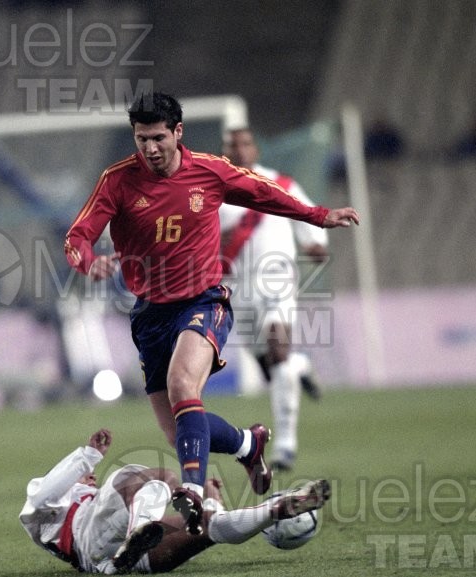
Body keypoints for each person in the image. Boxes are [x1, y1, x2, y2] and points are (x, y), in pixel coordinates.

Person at [64, 92, 358, 534]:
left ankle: (195, 491)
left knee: (185, 385)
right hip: (149, 316)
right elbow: (77, 236)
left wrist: (318, 217)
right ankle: (247, 444)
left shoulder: (209, 171)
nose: (150, 148)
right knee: (179, 430)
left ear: (178, 132)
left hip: (205, 301)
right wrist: (90, 263)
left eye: (158, 137)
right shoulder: (117, 181)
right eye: (141, 139)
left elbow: (263, 193)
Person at [19, 428, 331, 574]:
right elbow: (41, 494)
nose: (91, 476)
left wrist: (211, 497)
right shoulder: (46, 508)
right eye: (85, 475)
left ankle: (277, 509)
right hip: (92, 539)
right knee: (159, 477)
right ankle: (141, 529)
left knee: (206, 529)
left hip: (106, 560)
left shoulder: (88, 503)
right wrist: (86, 458)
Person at [219, 128, 329, 472]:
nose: (239, 149)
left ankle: (285, 445)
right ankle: (300, 366)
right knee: (272, 367)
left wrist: (315, 246)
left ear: (256, 148)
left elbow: (311, 223)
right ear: (225, 150)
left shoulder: (282, 184)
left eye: (245, 143)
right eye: (232, 145)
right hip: (237, 289)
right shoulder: (213, 192)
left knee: (277, 348)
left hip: (277, 280)